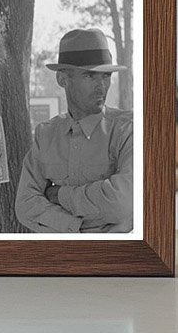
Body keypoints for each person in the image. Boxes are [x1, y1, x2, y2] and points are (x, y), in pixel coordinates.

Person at [15, 29, 133, 234]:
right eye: (90, 75)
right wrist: (77, 227)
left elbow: (123, 202)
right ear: (62, 80)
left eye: (106, 76)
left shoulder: (126, 130)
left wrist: (59, 195)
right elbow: (25, 205)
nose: (102, 86)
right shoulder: (46, 135)